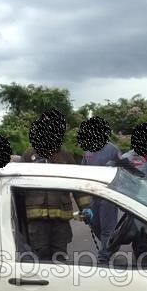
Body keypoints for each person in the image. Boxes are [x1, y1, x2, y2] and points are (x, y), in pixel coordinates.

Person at [20, 111, 91, 261]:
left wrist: (86, 207)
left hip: (60, 221)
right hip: (36, 221)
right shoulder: (28, 156)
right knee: (39, 257)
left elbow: (77, 183)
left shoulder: (65, 156)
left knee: (59, 258)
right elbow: (18, 188)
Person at [79, 116, 122, 264]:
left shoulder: (113, 150)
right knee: (94, 224)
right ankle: (111, 245)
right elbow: (82, 172)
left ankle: (104, 256)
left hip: (108, 195)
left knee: (107, 228)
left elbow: (121, 171)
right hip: (93, 195)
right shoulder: (87, 151)